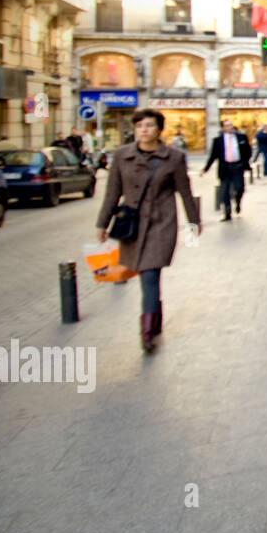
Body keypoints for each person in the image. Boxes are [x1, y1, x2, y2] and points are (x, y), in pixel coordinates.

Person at [95, 108, 201, 354]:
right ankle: (155, 317)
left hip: (161, 222)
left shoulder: (173, 157)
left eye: (150, 126)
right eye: (140, 126)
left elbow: (184, 191)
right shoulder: (122, 156)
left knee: (150, 273)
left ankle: (146, 332)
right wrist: (102, 223)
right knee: (146, 274)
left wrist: (193, 223)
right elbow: (112, 193)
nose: (144, 130)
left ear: (159, 130)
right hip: (132, 223)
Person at [203, 119, 250, 221]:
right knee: (225, 192)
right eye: (227, 126)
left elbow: (248, 151)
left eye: (231, 125)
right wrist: (205, 169)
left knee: (240, 188)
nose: (230, 127)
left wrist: (244, 163)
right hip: (225, 168)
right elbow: (213, 156)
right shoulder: (217, 141)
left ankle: (238, 202)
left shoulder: (241, 137)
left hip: (237, 166)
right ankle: (227, 214)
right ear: (222, 128)